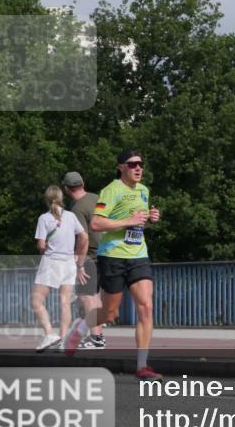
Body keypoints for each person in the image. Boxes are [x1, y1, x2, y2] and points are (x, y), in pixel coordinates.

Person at [64, 149, 163, 382]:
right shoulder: (111, 190)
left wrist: (150, 219)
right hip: (113, 256)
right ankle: (80, 328)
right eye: (132, 164)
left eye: (140, 164)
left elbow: (138, 223)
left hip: (138, 254)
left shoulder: (143, 190)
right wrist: (128, 221)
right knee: (109, 313)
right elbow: (96, 223)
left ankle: (142, 366)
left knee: (146, 307)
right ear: (121, 167)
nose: (138, 168)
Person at [32, 185, 88, 351]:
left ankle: (50, 334)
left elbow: (41, 245)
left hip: (51, 262)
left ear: (47, 199)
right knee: (65, 302)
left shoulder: (44, 218)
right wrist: (77, 255)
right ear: (61, 198)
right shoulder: (71, 216)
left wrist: (43, 247)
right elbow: (84, 237)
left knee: (36, 301)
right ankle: (63, 339)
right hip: (69, 263)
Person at [62, 171, 105, 350]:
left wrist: (79, 264)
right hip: (108, 252)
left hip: (90, 256)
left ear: (66, 189)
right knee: (95, 296)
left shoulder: (77, 209)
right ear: (83, 183)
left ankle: (96, 338)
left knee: (86, 296)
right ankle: (98, 335)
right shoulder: (97, 198)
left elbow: (83, 238)